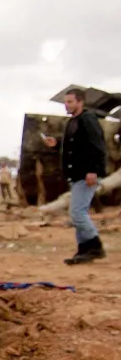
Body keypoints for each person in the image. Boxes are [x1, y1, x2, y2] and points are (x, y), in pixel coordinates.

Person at [43, 87, 108, 264]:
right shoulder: (73, 122)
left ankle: (95, 246)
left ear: (80, 102)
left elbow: (97, 146)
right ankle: (84, 249)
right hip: (77, 174)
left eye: (70, 102)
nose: (66, 105)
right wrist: (57, 144)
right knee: (80, 212)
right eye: (65, 102)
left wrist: (93, 170)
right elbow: (75, 146)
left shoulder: (88, 120)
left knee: (77, 212)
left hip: (86, 174)